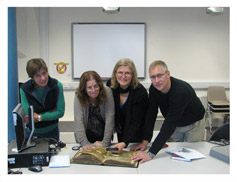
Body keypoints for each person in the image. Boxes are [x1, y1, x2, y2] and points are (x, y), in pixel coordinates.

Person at [131, 60, 205, 163]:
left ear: (168, 74)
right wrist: (145, 141)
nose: (156, 80)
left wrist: (151, 153)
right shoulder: (154, 89)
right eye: (153, 77)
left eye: (160, 75)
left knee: (191, 157)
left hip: (193, 125)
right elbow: (151, 114)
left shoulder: (181, 91)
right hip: (176, 126)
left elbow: (169, 124)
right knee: (172, 156)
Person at [106, 58, 149, 153]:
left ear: (133, 75)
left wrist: (125, 142)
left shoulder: (140, 92)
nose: (123, 76)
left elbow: (136, 121)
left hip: (137, 135)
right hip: (121, 132)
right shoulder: (111, 85)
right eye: (120, 72)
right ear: (115, 73)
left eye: (127, 73)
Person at [20, 58, 65, 141]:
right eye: (37, 75)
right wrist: (51, 112)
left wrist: (40, 117)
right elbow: (29, 117)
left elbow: (60, 112)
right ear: (32, 77)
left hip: (52, 132)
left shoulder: (57, 85)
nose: (43, 78)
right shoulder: (25, 89)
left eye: (44, 73)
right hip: (32, 133)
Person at [74, 71, 115, 150]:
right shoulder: (79, 95)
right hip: (85, 137)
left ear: (99, 85)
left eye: (96, 86)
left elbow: (110, 118)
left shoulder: (107, 92)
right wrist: (85, 144)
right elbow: (79, 120)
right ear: (84, 89)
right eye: (89, 87)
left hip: (103, 137)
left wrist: (105, 143)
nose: (93, 90)